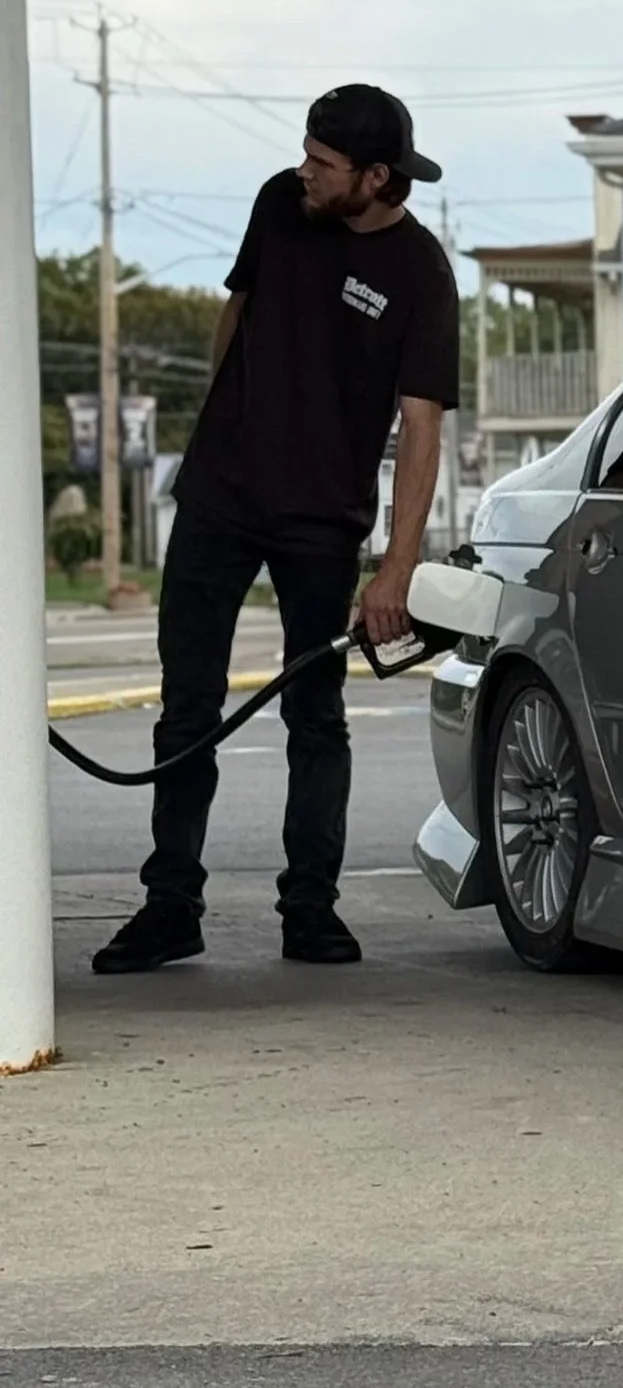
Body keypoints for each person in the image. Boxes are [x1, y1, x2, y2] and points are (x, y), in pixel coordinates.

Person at [91, 86, 461, 975]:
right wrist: (219, 423)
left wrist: (396, 568)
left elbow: (420, 426)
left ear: (376, 177)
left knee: (313, 716)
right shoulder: (278, 205)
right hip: (220, 497)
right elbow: (239, 312)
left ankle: (311, 910)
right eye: (305, 154)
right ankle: (170, 904)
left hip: (320, 521)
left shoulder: (419, 273)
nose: (305, 173)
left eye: (325, 165)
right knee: (186, 705)